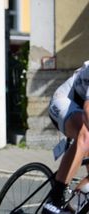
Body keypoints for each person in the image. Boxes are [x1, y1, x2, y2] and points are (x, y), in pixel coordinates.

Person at [43, 60, 89, 213]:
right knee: (86, 134)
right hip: (64, 102)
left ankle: (70, 208)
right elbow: (87, 111)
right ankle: (55, 199)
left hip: (80, 110)